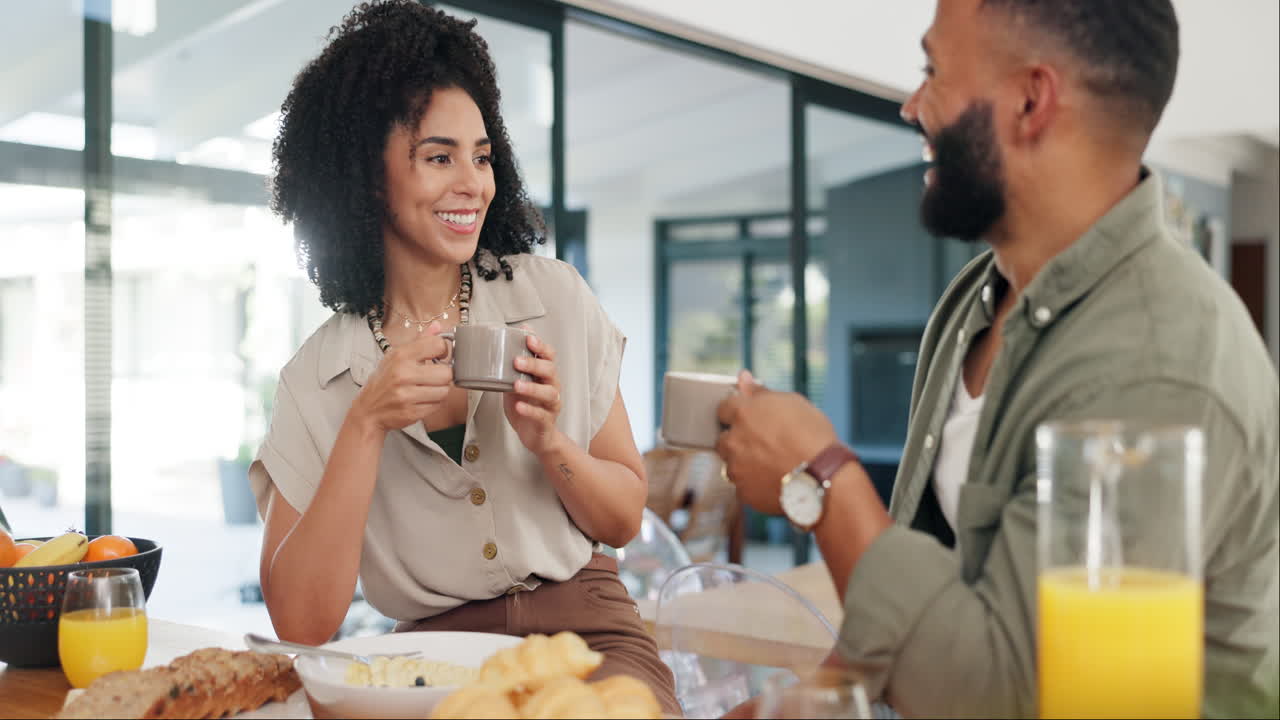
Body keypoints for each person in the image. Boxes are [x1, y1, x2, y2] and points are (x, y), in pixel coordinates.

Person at [716, 1, 1278, 717]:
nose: (911, 105)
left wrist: (821, 476)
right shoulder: (974, 302)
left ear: (1029, 100)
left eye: (933, 71)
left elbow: (1013, 697)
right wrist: (804, 702)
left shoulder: (1161, 356)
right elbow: (919, 601)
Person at [251, 2, 677, 713]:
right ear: (366, 175)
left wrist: (549, 441)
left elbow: (624, 519)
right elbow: (300, 622)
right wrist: (365, 425)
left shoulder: (556, 298)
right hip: (431, 662)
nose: (473, 184)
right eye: (438, 157)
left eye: (481, 157)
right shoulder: (318, 378)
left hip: (590, 637)